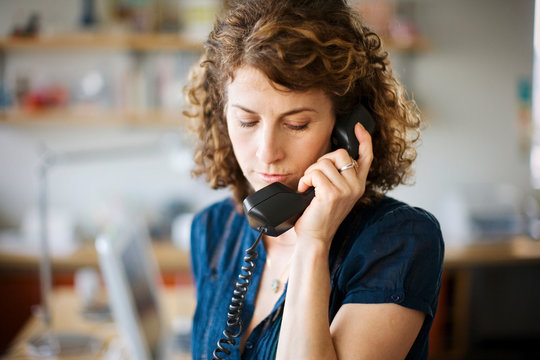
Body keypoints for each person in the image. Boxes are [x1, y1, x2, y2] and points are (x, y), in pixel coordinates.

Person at [184, 0, 444, 359]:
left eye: (296, 124)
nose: (266, 152)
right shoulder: (213, 229)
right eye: (247, 121)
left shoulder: (400, 241)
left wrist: (314, 242)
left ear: (348, 129)